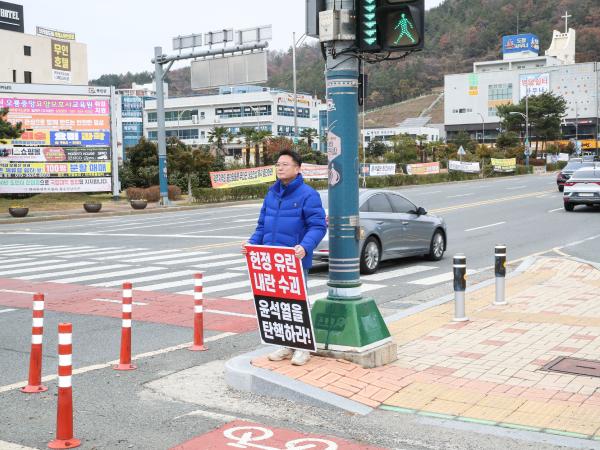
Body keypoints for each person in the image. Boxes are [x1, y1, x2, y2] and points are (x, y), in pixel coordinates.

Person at [242, 149, 327, 366]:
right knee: (277, 304)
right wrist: (252, 244)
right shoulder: (272, 194)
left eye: (285, 164)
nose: (280, 168)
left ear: (297, 169)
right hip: (271, 261)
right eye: (278, 164)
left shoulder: (308, 194)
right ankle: (287, 345)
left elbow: (318, 226)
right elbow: (262, 225)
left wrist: (305, 247)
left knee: (297, 303)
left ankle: (303, 348)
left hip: (293, 260)